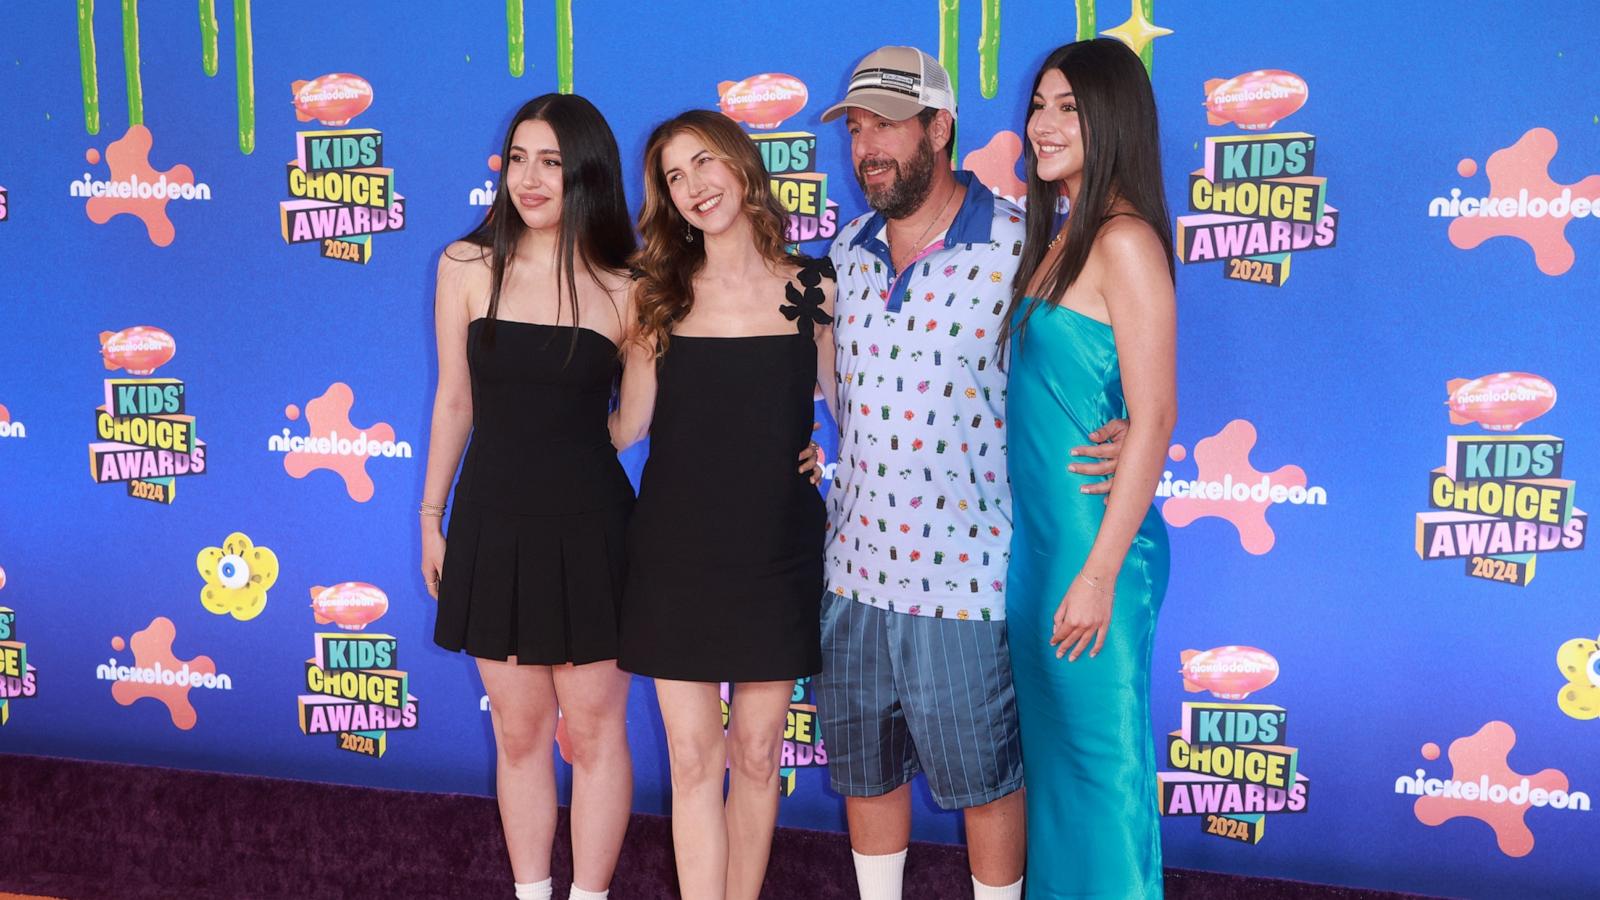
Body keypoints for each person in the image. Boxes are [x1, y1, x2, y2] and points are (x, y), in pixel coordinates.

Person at [815, 46, 1031, 900]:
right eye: (858, 127)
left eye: (888, 125)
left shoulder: (1019, 246)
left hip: (966, 587)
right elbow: (840, 392)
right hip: (854, 577)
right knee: (865, 777)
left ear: (939, 127)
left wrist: (1119, 424)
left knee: (986, 787)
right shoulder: (847, 250)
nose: (868, 145)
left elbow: (1080, 372)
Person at [612, 109, 836, 900]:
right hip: (674, 559)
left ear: (742, 166)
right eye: (675, 177)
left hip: (777, 555)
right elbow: (627, 426)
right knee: (695, 762)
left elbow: (854, 408)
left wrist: (831, 464)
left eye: (704, 164)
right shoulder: (657, 296)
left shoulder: (811, 287)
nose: (694, 187)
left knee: (758, 756)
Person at [421, 93, 636, 900]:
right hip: (491, 526)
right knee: (518, 733)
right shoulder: (465, 266)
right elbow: (453, 400)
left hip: (592, 532)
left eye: (551, 161)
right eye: (518, 159)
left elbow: (635, 422)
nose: (530, 178)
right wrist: (429, 518)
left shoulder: (629, 284)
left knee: (593, 732)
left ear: (586, 174)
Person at [1002, 38, 1177, 898]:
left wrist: (1101, 574)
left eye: (1068, 107)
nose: (1043, 124)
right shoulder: (1061, 235)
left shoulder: (1125, 241)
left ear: (1113, 118)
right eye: (1038, 105)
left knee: (1103, 784)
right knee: (1062, 785)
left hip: (1095, 553)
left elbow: (1156, 416)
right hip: (1041, 551)